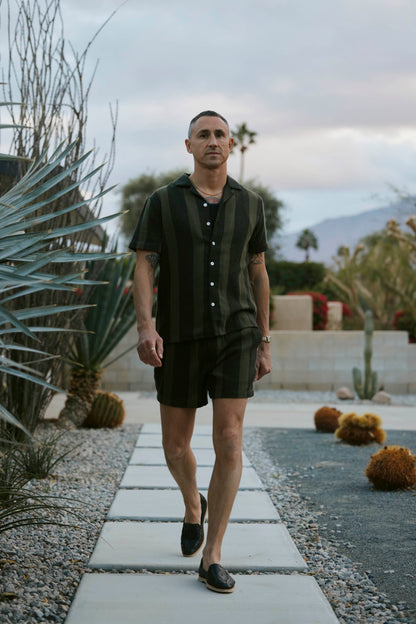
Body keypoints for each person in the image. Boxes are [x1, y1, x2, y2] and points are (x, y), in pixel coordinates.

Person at [129, 110, 272, 594]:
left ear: (231, 146)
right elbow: (145, 267)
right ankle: (193, 503)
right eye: (203, 135)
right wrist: (147, 327)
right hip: (179, 336)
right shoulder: (162, 202)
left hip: (236, 333)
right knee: (175, 447)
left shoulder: (250, 204)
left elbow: (258, 272)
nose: (212, 141)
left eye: (220, 135)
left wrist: (264, 338)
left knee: (230, 441)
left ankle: (212, 555)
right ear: (188, 146)